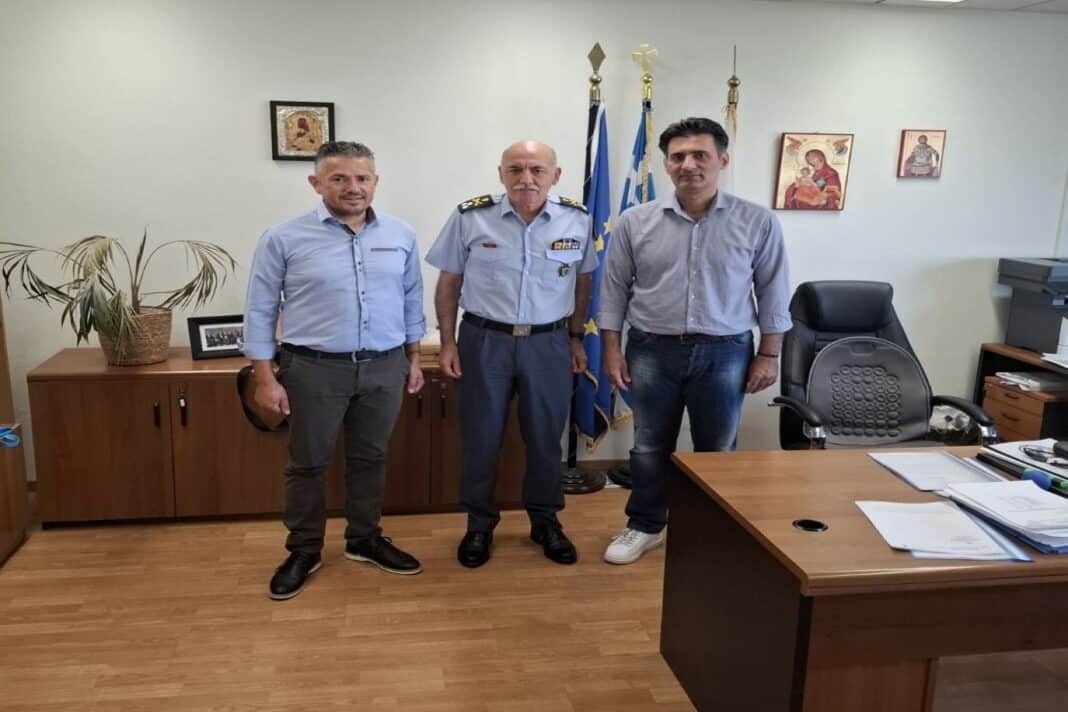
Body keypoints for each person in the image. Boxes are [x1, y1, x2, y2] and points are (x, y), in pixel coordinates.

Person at [597, 117, 792, 565]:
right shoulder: (634, 221)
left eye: (700, 155)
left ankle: (710, 529)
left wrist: (769, 354)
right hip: (652, 349)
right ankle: (646, 525)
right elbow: (613, 290)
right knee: (649, 446)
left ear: (723, 160)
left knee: (718, 449)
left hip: (726, 351)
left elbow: (774, 291)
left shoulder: (757, 221)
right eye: (678, 156)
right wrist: (610, 349)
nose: (689, 165)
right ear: (666, 165)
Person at [244, 140, 427, 600]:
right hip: (314, 369)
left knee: (371, 458)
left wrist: (413, 358)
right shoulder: (283, 238)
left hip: (385, 366)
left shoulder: (401, 234)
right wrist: (264, 376)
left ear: (375, 182)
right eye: (339, 178)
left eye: (362, 178)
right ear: (316, 183)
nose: (353, 187)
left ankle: (364, 539)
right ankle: (303, 549)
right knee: (307, 464)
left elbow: (411, 299)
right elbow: (260, 308)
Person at [426, 139, 596, 568]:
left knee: (545, 440)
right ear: (501, 174)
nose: (526, 179)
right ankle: (479, 525)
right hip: (485, 341)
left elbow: (582, 282)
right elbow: (448, 283)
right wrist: (447, 343)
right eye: (516, 169)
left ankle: (545, 521)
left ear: (555, 176)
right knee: (480, 438)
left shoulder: (576, 219)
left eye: (537, 170)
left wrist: (576, 338)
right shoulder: (471, 217)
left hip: (548, 343)